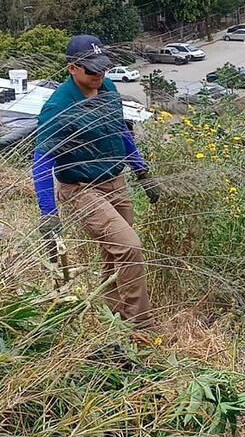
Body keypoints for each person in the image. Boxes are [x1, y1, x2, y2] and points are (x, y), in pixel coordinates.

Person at [33, 35, 161, 331]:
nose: (99, 75)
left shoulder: (108, 89)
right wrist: (48, 215)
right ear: (72, 69)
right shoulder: (58, 107)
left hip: (115, 181)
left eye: (102, 67)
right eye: (91, 70)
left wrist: (142, 172)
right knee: (130, 247)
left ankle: (111, 321)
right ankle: (141, 328)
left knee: (114, 254)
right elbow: (41, 161)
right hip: (81, 189)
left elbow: (121, 133)